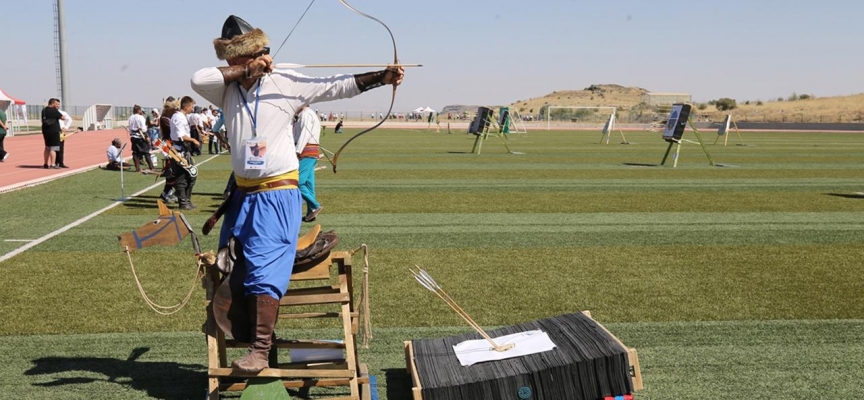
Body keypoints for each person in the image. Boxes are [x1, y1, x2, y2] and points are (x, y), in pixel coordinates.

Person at [190, 14, 404, 373]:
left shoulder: (285, 81)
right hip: (242, 196)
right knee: (231, 261)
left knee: (262, 266)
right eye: (241, 59)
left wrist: (381, 78)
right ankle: (237, 325)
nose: (260, 60)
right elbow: (199, 78)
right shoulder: (225, 88)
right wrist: (244, 72)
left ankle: (259, 350)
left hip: (277, 195)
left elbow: (336, 85)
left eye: (260, 54)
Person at [170, 96, 201, 210]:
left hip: (184, 150)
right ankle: (183, 202)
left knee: (191, 175)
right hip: (179, 151)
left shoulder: (182, 117)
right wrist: (193, 140)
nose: (192, 109)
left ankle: (186, 200)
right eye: (192, 106)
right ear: (187, 106)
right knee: (182, 177)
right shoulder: (178, 117)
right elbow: (181, 136)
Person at [293, 105, 323, 222]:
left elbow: (304, 134)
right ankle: (311, 213)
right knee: (309, 184)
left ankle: (315, 206)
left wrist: (297, 151)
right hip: (311, 152)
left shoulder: (305, 114)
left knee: (297, 182)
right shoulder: (309, 114)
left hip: (306, 152)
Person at [159, 97, 179, 203]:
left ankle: (169, 192)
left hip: (171, 145)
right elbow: (172, 131)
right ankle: (165, 193)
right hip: (167, 145)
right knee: (171, 171)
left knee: (174, 171)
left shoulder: (168, 118)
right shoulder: (164, 118)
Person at [128, 105, 155, 172]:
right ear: (139, 110)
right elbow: (144, 129)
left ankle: (137, 168)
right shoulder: (140, 117)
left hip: (133, 137)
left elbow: (130, 128)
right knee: (146, 152)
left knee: (135, 153)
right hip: (140, 136)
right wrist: (147, 136)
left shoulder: (130, 118)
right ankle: (152, 167)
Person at [41, 98, 66, 169]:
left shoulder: (44, 110)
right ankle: (53, 164)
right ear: (52, 103)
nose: (57, 105)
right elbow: (62, 117)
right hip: (53, 130)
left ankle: (45, 163)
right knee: (53, 148)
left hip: (45, 130)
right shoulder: (54, 110)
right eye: (56, 104)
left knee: (47, 147)